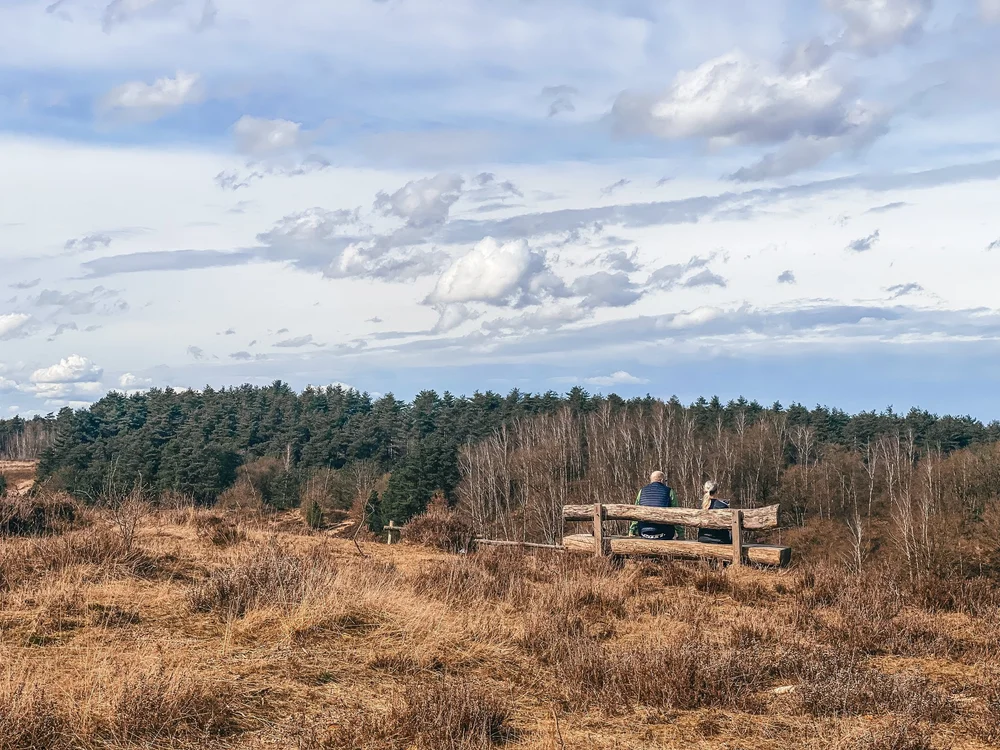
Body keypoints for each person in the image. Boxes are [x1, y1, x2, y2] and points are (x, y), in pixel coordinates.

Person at [629, 471, 678, 540]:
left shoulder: (642, 491)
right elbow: (676, 514)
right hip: (664, 534)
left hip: (644, 533)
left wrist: (631, 531)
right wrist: (681, 534)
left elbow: (636, 512)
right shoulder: (669, 491)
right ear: (662, 480)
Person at [697, 480, 733, 545]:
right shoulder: (723, 506)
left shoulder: (700, 505)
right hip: (720, 540)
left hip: (703, 538)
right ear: (716, 491)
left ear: (704, 490)